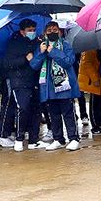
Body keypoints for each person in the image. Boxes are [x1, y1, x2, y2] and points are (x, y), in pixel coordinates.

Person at [30, 21, 82, 152]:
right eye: (49, 30)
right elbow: (34, 65)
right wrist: (42, 53)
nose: (52, 32)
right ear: (45, 33)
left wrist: (53, 52)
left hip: (64, 86)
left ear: (59, 31)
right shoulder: (42, 46)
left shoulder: (65, 45)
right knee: (54, 115)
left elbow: (69, 62)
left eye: (55, 30)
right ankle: (58, 139)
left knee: (68, 113)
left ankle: (74, 138)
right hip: (48, 87)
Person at [2, 19, 42, 151]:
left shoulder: (37, 42)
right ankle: (19, 138)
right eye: (29, 30)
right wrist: (25, 58)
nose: (32, 32)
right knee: (22, 109)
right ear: (22, 31)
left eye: (33, 30)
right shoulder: (14, 44)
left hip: (35, 81)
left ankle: (33, 139)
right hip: (19, 81)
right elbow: (8, 64)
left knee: (36, 110)